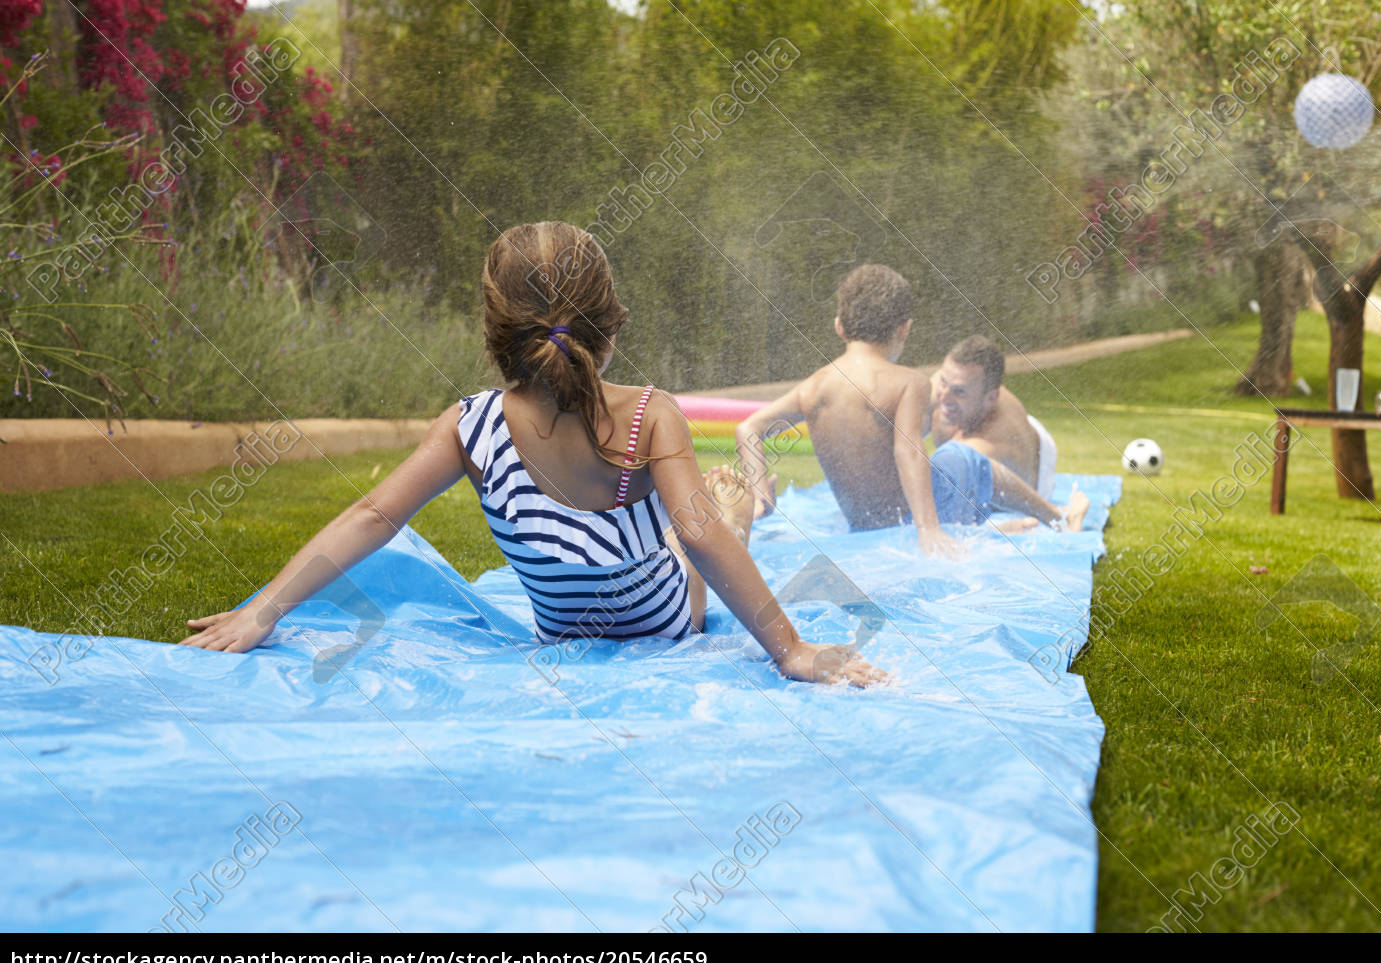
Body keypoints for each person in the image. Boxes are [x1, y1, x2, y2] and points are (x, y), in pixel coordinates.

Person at [182, 221, 884, 688]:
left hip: (629, 614)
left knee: (695, 533)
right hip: (664, 610)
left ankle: (733, 511)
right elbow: (698, 536)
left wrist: (265, 610)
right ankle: (731, 508)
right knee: (695, 525)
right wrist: (792, 650)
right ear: (612, 327)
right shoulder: (649, 414)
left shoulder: (470, 428)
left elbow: (374, 513)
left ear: (495, 333)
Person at [735, 264, 1086, 556]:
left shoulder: (814, 387)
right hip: (910, 522)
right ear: (904, 329)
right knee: (964, 459)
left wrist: (760, 496)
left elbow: (748, 428)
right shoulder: (908, 383)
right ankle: (1057, 517)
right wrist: (928, 529)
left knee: (954, 463)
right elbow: (908, 450)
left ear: (839, 326)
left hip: (863, 525)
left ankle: (1010, 526)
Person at [930, 334, 1058, 501]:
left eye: (959, 392)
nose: (944, 398)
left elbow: (931, 486)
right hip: (985, 418)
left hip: (1034, 467)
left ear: (991, 398)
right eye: (943, 383)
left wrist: (1054, 515)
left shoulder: (989, 447)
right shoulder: (954, 379)